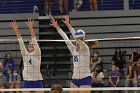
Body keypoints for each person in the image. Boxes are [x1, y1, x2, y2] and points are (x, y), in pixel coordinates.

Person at [50, 16, 95, 93]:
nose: (78, 39)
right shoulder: (73, 50)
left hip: (85, 78)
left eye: (80, 38)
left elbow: (77, 37)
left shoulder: (85, 49)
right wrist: (57, 27)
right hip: (75, 79)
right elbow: (65, 38)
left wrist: (69, 26)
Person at [11, 19, 44, 93]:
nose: (31, 45)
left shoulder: (37, 53)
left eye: (32, 44)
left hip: (37, 80)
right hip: (27, 81)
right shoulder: (25, 54)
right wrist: (16, 30)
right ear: (27, 47)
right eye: (29, 44)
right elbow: (21, 42)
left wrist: (31, 28)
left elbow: (34, 39)